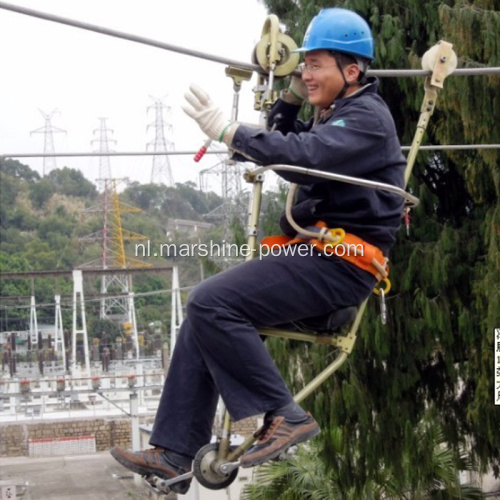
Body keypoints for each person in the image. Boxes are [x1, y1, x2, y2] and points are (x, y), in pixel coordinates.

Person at [110, 7, 406, 494]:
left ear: (352, 71)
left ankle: (285, 415)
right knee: (202, 316)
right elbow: (295, 152)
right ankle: (175, 450)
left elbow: (304, 156)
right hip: (320, 256)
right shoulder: (336, 114)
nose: (306, 74)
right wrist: (289, 98)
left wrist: (230, 132)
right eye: (303, 64)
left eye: (316, 65)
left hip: (340, 265)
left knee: (211, 301)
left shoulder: (366, 119)